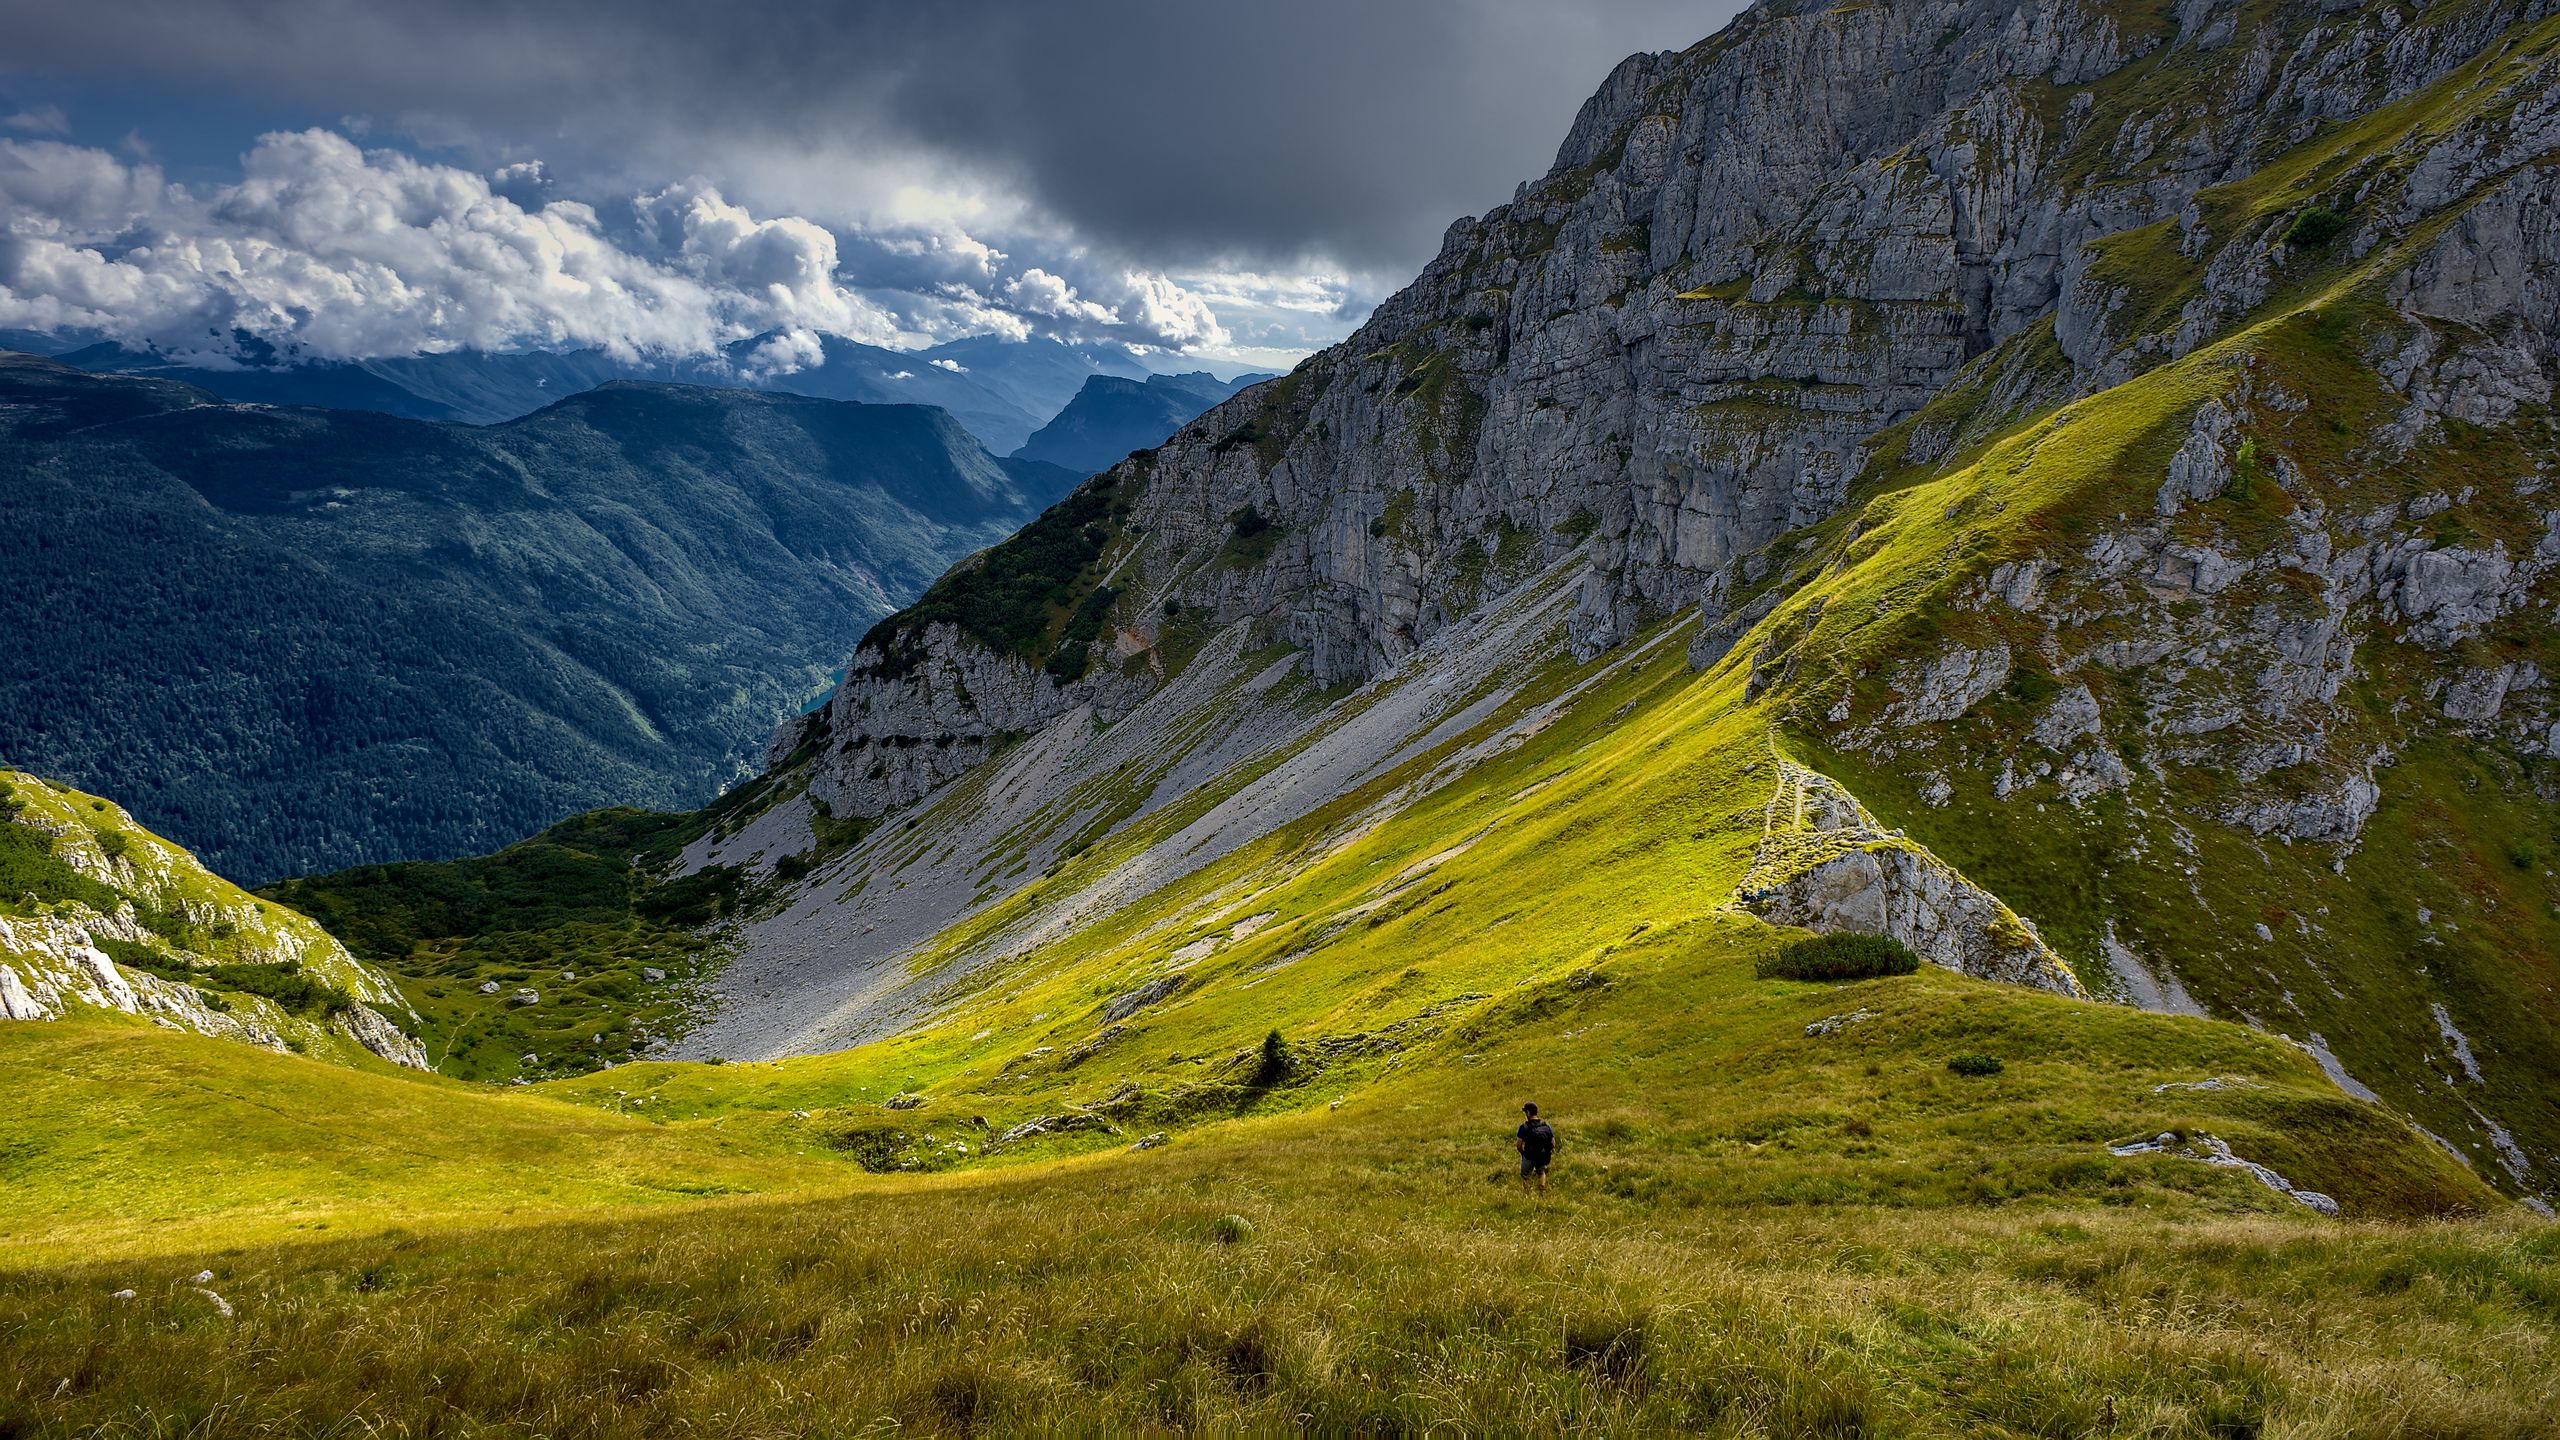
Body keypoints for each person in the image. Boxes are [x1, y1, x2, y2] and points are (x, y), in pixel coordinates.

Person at [1515, 1102, 1556, 1195]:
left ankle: (1528, 1194)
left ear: (1528, 1113)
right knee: (1541, 1172)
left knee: (1525, 1175)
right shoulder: (1546, 1125)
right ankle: (1542, 1191)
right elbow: (1553, 1143)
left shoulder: (1523, 1127)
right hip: (1542, 1155)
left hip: (1529, 1156)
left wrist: (1523, 1153)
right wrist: (1546, 1151)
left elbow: (1518, 1145)